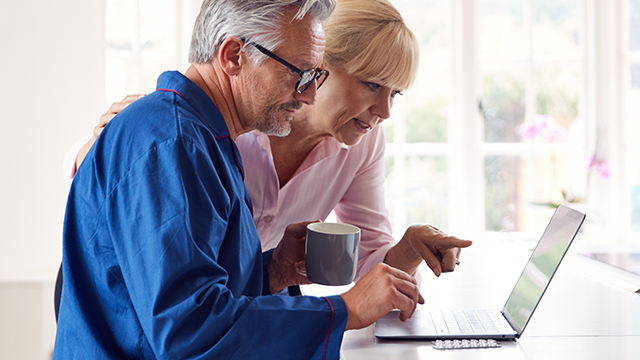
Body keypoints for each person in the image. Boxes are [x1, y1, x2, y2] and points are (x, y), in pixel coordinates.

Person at [54, 1, 433, 359]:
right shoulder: (173, 143)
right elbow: (188, 331)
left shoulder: (207, 139)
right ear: (234, 56)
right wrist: (344, 310)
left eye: (315, 76)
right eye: (299, 73)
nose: (310, 94)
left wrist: (272, 271)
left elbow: (200, 291)